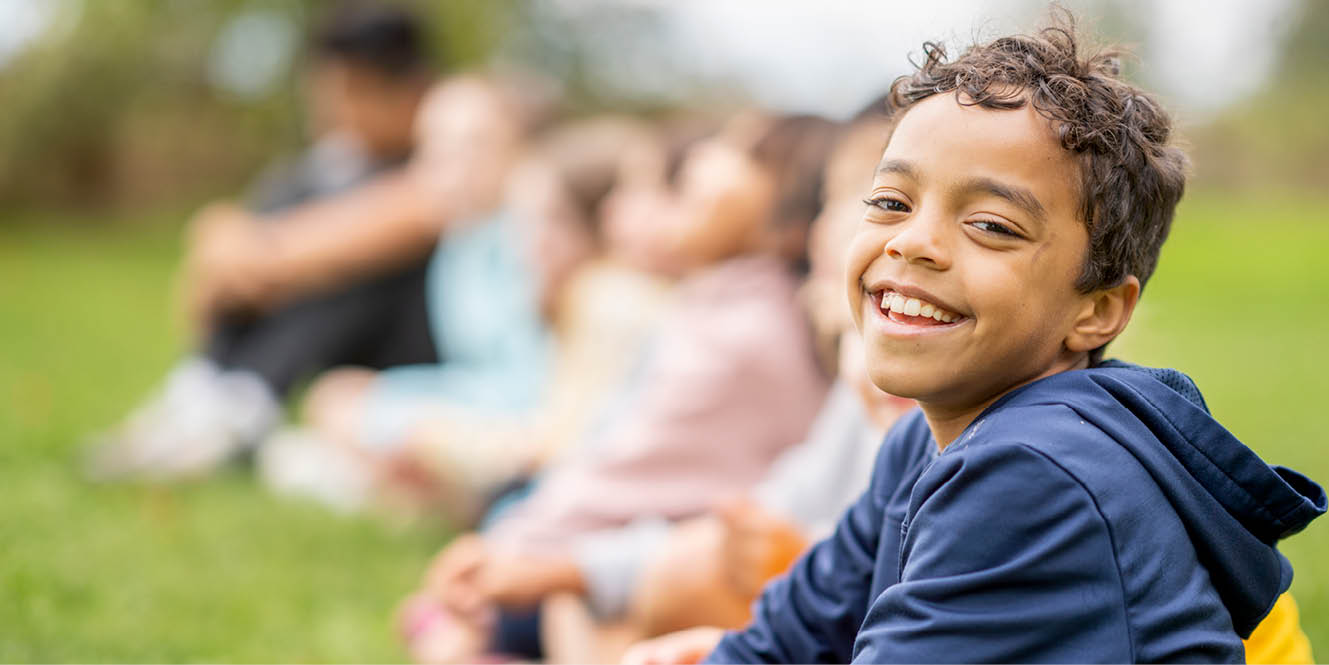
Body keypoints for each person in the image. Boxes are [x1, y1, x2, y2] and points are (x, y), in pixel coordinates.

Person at [638, 14, 1326, 664]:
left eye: (992, 225)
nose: (912, 242)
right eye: (889, 202)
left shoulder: (1033, 473)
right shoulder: (925, 439)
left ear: (1096, 310)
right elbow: (789, 634)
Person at [397, 112, 840, 664]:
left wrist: (507, 553)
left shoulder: (744, 334)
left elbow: (621, 478)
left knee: (539, 610)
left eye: (742, 153)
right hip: (625, 557)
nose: (701, 161)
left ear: (790, 215)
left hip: (648, 569)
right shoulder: (720, 310)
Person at [87, 2, 437, 479]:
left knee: (341, 271)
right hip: (327, 351)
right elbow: (209, 275)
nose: (336, 111)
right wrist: (220, 237)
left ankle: (235, 410)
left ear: (410, 90)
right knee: (284, 253)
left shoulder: (445, 152)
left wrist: (253, 250)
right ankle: (204, 394)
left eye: (354, 92)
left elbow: (401, 220)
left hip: (408, 352)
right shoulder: (325, 166)